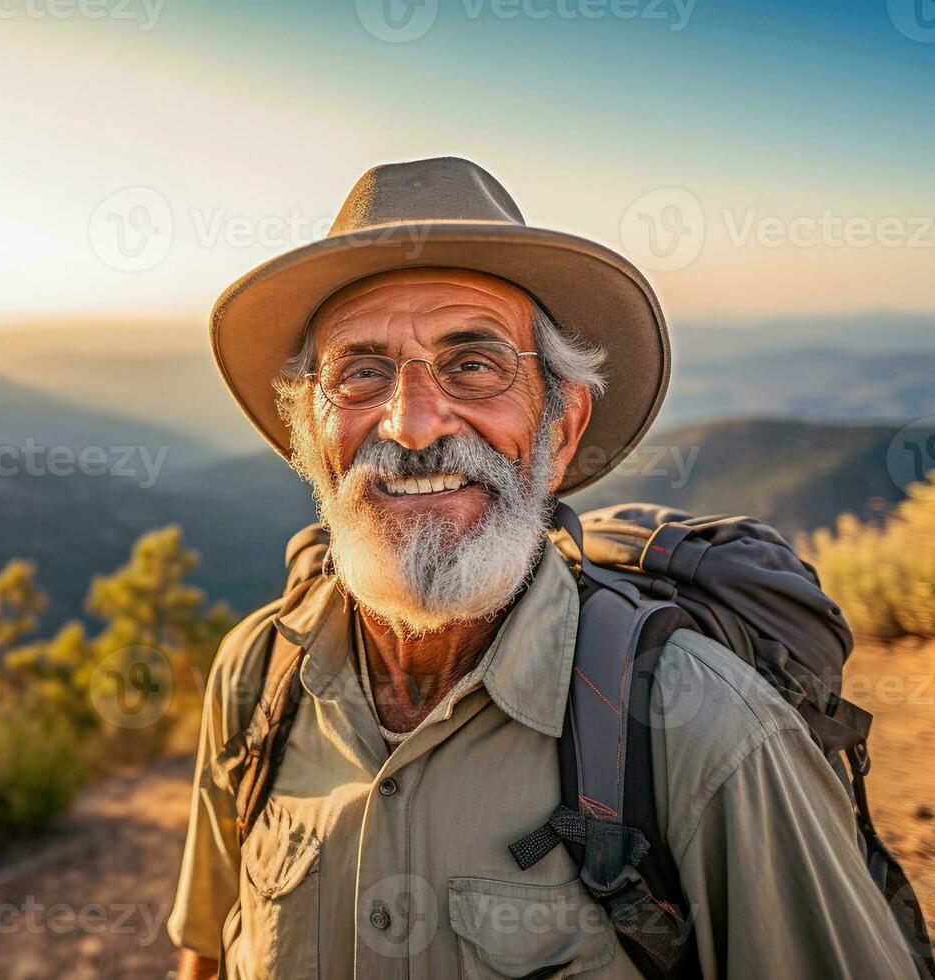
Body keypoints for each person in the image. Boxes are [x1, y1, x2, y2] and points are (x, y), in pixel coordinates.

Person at [168, 157, 918, 979]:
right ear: (313, 437)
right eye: (362, 373)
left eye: (473, 365)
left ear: (561, 431)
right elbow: (208, 955)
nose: (414, 425)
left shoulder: (702, 729)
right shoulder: (254, 677)